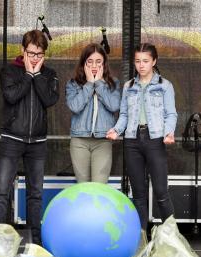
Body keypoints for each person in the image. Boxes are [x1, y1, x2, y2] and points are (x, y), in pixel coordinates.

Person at [0, 29, 59, 245]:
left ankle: (35, 243)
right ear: (23, 50)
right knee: (2, 191)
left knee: (35, 194)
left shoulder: (49, 74)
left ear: (44, 54)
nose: (34, 58)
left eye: (39, 54)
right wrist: (29, 75)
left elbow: (49, 99)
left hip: (37, 142)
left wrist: (37, 75)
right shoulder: (10, 71)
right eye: (31, 53)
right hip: (12, 138)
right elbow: (11, 96)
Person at [106, 42, 177, 232]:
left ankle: (172, 237)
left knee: (161, 192)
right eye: (138, 61)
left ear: (154, 61)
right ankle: (141, 240)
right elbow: (124, 115)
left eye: (145, 61)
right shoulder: (129, 86)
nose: (141, 65)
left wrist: (169, 132)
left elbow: (171, 114)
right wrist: (116, 130)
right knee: (138, 194)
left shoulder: (165, 86)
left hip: (155, 139)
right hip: (132, 140)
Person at [66, 43, 121, 183]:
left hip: (103, 141)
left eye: (98, 61)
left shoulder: (113, 83)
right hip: (79, 141)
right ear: (83, 64)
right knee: (83, 187)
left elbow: (114, 106)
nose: (94, 66)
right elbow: (74, 107)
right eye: (89, 62)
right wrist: (89, 84)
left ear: (104, 64)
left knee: (99, 187)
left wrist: (99, 84)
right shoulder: (73, 84)